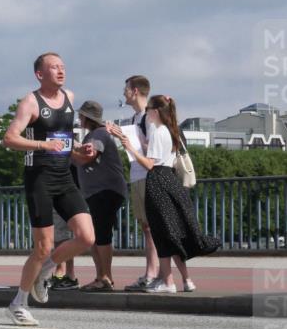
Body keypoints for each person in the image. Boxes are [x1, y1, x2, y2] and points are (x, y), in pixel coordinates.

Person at [2, 52, 96, 326]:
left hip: (65, 177)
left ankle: (46, 271)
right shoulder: (31, 102)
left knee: (86, 237)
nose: (61, 71)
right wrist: (43, 145)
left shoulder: (70, 98)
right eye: (54, 67)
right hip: (39, 179)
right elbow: (9, 138)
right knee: (43, 246)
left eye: (63, 67)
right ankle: (18, 303)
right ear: (40, 74)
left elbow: (63, 140)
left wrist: (80, 150)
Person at [109, 95, 220, 292]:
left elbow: (150, 164)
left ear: (155, 111)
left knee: (162, 233)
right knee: (172, 232)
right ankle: (185, 280)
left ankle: (167, 282)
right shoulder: (170, 130)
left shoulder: (159, 132)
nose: (147, 113)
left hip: (158, 182)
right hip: (170, 180)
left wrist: (129, 148)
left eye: (149, 109)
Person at [73, 100, 128, 291]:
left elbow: (88, 156)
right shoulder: (94, 134)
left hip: (105, 191)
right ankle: (101, 277)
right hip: (101, 191)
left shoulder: (98, 134)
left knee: (102, 236)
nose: (78, 118)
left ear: (87, 117)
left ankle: (106, 278)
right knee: (97, 236)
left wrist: (66, 150)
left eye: (81, 115)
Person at [120, 76, 161, 292]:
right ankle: (152, 272)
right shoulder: (137, 117)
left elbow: (153, 153)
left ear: (135, 91)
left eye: (126, 89)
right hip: (138, 175)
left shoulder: (148, 117)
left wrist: (130, 144)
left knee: (152, 228)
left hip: (147, 175)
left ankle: (154, 273)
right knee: (147, 227)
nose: (124, 93)